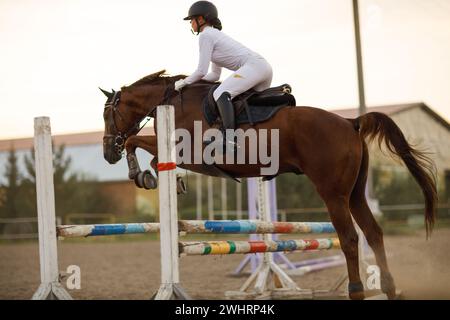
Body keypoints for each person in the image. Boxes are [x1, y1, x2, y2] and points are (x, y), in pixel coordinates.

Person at [174, 1, 273, 149]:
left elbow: (201, 71)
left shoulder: (206, 35)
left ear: (201, 19)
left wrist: (185, 82)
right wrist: (194, 82)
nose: (191, 24)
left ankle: (229, 139)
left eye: (192, 20)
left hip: (255, 67)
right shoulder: (215, 35)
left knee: (221, 92)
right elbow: (214, 75)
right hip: (262, 68)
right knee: (241, 101)